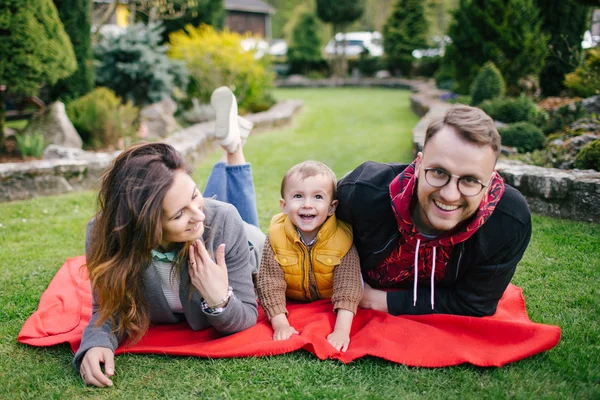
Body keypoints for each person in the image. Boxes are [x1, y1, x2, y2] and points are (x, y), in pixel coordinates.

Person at [74, 87, 266, 387]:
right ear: (144, 226)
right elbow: (106, 309)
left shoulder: (221, 219)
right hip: (214, 223)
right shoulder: (103, 234)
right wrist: (97, 342)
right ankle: (231, 146)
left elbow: (246, 314)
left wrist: (219, 299)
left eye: (194, 193)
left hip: (249, 244)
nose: (198, 215)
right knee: (215, 210)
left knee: (237, 217)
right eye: (178, 215)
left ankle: (234, 147)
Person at [336, 105, 532, 317]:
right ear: (419, 164)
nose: (450, 195)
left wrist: (379, 301)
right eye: (438, 172)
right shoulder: (361, 192)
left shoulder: (509, 221)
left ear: (490, 181)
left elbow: (475, 303)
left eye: (470, 180)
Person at [257, 161, 363, 352]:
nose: (307, 204)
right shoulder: (275, 236)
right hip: (292, 300)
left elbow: (349, 287)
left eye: (317, 197)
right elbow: (269, 283)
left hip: (329, 300)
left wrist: (341, 330)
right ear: (284, 205)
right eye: (298, 196)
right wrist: (280, 323)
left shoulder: (342, 238)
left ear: (332, 207)